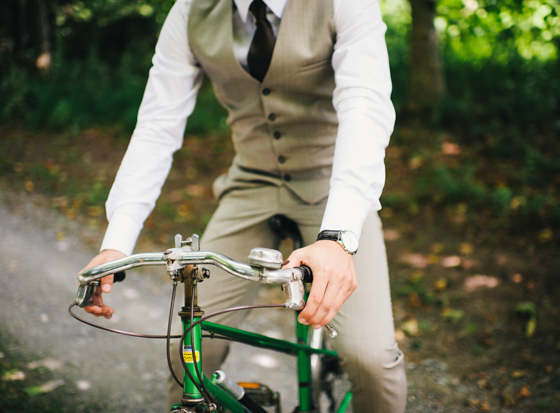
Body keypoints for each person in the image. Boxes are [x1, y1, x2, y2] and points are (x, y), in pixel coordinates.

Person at [80, 0, 407, 411]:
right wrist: (117, 243)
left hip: (334, 187)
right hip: (251, 182)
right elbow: (157, 125)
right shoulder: (191, 10)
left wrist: (339, 237)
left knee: (371, 361)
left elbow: (366, 106)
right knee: (190, 352)